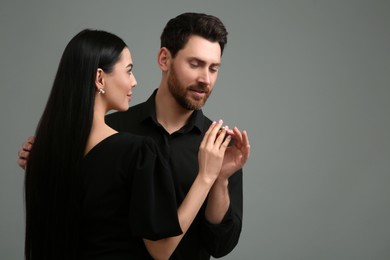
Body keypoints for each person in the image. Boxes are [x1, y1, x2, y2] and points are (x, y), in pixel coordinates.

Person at [18, 13, 251, 259]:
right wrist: (50, 161)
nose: (205, 79)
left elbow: (221, 245)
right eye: (195, 64)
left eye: (213, 68)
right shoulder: (111, 130)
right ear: (164, 59)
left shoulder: (219, 147)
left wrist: (219, 180)